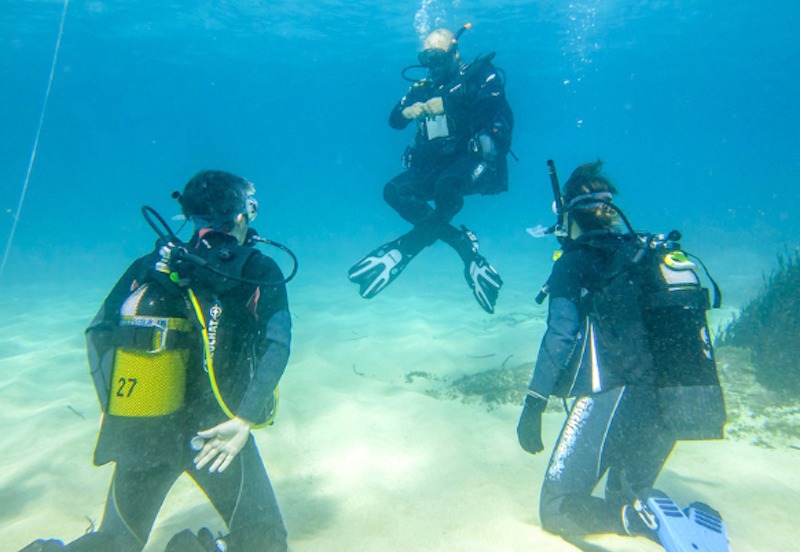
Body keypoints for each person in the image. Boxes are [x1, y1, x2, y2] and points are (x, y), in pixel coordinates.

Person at [23, 171, 292, 552]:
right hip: (216, 434)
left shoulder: (152, 264)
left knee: (116, 540)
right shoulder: (257, 268)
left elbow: (99, 332)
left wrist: (123, 408)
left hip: (145, 425)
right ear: (241, 215)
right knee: (265, 539)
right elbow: (277, 344)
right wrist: (245, 418)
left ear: (189, 215)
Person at [516, 161, 729, 550]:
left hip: (615, 394)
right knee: (624, 496)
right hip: (672, 396)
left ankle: (644, 521)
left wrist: (534, 403)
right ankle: (666, 521)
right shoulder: (643, 252)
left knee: (558, 509)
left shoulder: (575, 261)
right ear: (610, 211)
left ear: (567, 213)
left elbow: (560, 335)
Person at [348, 25, 514, 314]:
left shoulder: (480, 75)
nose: (433, 67)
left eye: (438, 58)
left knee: (447, 187)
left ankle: (408, 246)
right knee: (393, 191)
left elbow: (491, 107)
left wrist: (447, 104)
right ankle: (462, 244)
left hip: (469, 163)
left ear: (454, 52)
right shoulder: (423, 88)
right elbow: (394, 121)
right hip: (433, 166)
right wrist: (405, 111)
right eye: (427, 60)